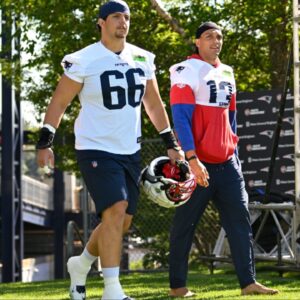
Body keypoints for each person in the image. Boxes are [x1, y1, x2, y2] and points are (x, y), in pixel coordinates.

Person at [36, 1, 184, 299]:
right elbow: (60, 102)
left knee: (121, 221)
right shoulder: (83, 59)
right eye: (116, 17)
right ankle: (112, 290)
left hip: (129, 149)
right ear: (102, 22)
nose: (123, 23)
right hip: (95, 148)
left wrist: (171, 143)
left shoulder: (142, 58)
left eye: (127, 18)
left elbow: (153, 104)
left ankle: (81, 264)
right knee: (115, 210)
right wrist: (45, 141)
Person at [168, 21, 279, 297]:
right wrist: (192, 159)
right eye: (209, 37)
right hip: (198, 165)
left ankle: (248, 283)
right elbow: (180, 118)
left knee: (240, 223)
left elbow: (232, 120)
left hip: (228, 164)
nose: (215, 42)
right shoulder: (185, 70)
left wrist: (235, 156)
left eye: (219, 37)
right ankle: (177, 287)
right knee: (185, 225)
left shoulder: (228, 72)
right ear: (197, 42)